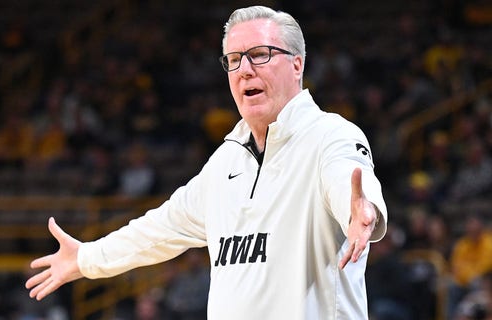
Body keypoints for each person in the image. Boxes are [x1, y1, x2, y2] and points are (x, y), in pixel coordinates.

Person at [26, 6, 388, 319]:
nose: (244, 69)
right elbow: (157, 231)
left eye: (260, 54)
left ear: (297, 65)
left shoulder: (329, 135)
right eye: (233, 60)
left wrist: (360, 209)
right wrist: (87, 259)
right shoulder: (224, 162)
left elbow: (347, 178)